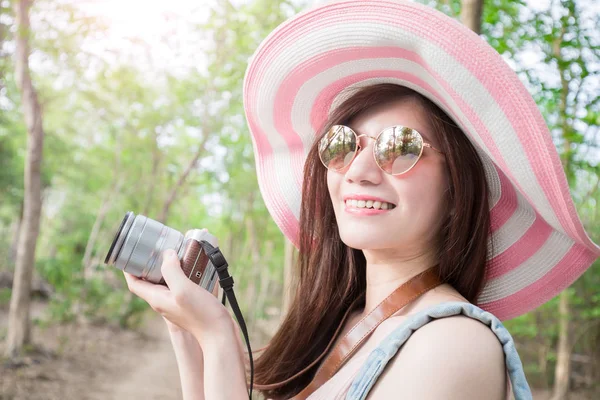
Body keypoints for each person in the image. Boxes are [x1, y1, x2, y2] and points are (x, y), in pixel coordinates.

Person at [123, 1, 600, 399]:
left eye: (401, 148)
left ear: (458, 190)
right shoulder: (345, 328)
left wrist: (219, 339)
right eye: (342, 144)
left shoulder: (454, 344)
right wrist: (189, 336)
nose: (359, 170)